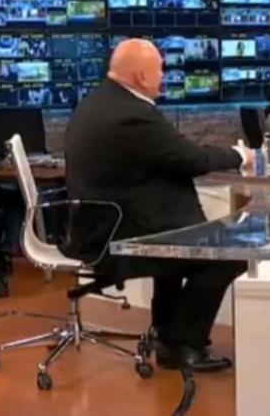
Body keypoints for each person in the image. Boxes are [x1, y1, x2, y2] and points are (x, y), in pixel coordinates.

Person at [64, 38, 254, 372]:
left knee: (192, 234)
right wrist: (240, 155)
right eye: (160, 69)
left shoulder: (98, 102)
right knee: (229, 252)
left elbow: (167, 155)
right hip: (119, 233)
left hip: (101, 224)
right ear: (141, 76)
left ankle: (166, 331)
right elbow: (189, 158)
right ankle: (182, 343)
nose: (163, 76)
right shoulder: (131, 115)